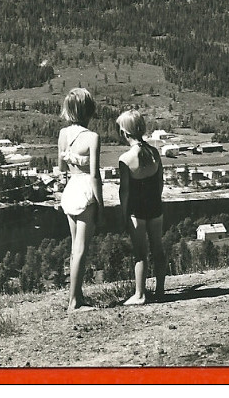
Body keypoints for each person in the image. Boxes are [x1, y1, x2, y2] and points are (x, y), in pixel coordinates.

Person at [115, 110, 167, 305]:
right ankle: (161, 290)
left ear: (124, 133)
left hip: (137, 211)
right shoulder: (154, 153)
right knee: (158, 249)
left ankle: (140, 294)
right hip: (155, 207)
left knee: (140, 253)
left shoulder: (126, 159)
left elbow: (125, 192)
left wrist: (124, 214)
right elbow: (160, 183)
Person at [58, 88, 103, 312]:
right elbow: (95, 175)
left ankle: (76, 295)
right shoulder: (92, 137)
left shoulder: (63, 135)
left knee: (75, 247)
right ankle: (74, 302)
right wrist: (101, 204)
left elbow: (61, 168)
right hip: (85, 189)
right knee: (82, 248)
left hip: (70, 188)